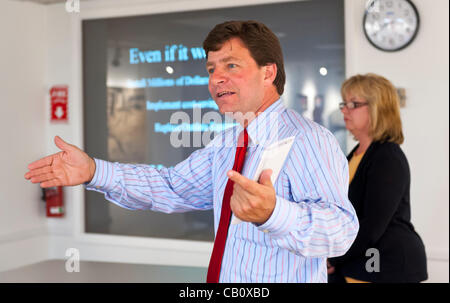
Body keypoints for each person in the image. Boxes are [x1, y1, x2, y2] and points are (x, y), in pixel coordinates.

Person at [24, 20, 359, 283]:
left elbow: (341, 232)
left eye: (230, 66)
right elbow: (172, 187)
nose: (216, 80)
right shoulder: (228, 142)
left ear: (268, 72)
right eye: (211, 69)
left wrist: (275, 214)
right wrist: (95, 171)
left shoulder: (310, 141)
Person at [327, 73, 428, 283]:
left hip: (386, 264)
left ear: (377, 109)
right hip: (359, 264)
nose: (344, 110)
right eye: (344, 103)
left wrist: (334, 259)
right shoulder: (354, 155)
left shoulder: (386, 156)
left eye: (353, 104)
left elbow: (372, 225)